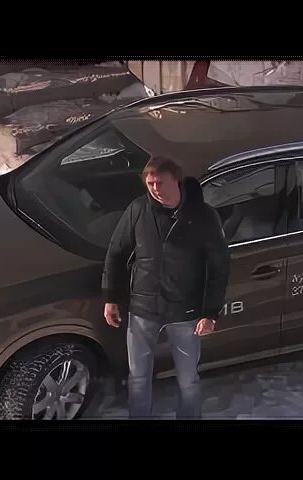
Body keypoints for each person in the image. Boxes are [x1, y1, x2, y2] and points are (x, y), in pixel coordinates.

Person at [101, 155, 230, 419]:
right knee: (138, 377)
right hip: (143, 307)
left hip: (185, 310)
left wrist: (210, 313)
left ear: (177, 181)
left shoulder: (203, 216)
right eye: (150, 184)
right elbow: (116, 253)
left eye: (160, 183)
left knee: (188, 379)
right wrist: (111, 297)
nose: (155, 189)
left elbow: (220, 267)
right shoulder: (139, 210)